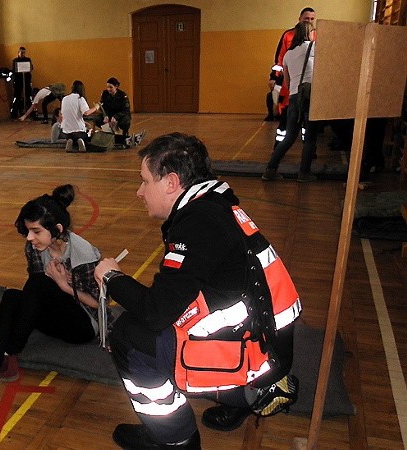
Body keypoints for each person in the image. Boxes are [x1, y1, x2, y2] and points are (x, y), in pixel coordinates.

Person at [94, 132, 301, 449]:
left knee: (131, 336)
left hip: (258, 352)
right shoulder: (214, 204)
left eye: (145, 181)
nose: (139, 191)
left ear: (171, 182)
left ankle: (175, 438)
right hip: (267, 339)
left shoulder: (198, 223)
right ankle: (247, 394)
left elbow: (154, 311)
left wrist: (111, 277)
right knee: (168, 314)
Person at [0, 184, 106, 399]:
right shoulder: (34, 247)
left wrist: (65, 286)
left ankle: (8, 352)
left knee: (39, 283)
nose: (29, 238)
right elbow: (34, 296)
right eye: (28, 231)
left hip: (82, 326)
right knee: (12, 296)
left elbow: (101, 305)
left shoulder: (84, 255)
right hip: (54, 315)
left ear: (58, 229)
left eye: (36, 231)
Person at [262, 22, 318, 182]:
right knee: (310, 138)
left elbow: (286, 82)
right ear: (309, 33)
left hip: (294, 96)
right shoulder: (314, 48)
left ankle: (270, 170)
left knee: (289, 136)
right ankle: (304, 173)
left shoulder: (288, 54)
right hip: (310, 96)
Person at [268, 7, 315, 145]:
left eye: (312, 19)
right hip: (291, 85)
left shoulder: (316, 36)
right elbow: (280, 59)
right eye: (307, 18)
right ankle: (279, 145)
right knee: (286, 117)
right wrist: (274, 77)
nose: (309, 21)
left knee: (308, 121)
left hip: (308, 86)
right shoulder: (288, 35)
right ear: (300, 19)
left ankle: (308, 148)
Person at [60, 80, 99, 153]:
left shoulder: (64, 99)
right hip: (79, 131)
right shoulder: (80, 99)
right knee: (89, 133)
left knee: (71, 135)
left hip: (66, 132)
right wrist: (96, 107)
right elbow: (86, 113)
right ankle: (80, 140)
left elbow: (64, 115)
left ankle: (70, 140)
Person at [95, 77, 132, 143]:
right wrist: (105, 116)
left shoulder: (122, 95)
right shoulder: (105, 94)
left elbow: (126, 110)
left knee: (125, 121)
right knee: (97, 119)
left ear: (116, 87)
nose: (109, 89)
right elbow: (102, 106)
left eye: (111, 87)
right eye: (107, 87)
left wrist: (116, 117)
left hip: (120, 115)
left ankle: (125, 134)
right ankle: (107, 133)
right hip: (109, 114)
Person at [11, 47, 33, 119]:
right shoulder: (15, 60)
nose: (23, 54)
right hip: (18, 80)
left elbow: (31, 68)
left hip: (26, 79)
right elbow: (13, 70)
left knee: (28, 95)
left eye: (24, 52)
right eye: (21, 52)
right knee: (17, 96)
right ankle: (15, 113)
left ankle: (30, 113)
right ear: (18, 52)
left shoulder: (27, 60)